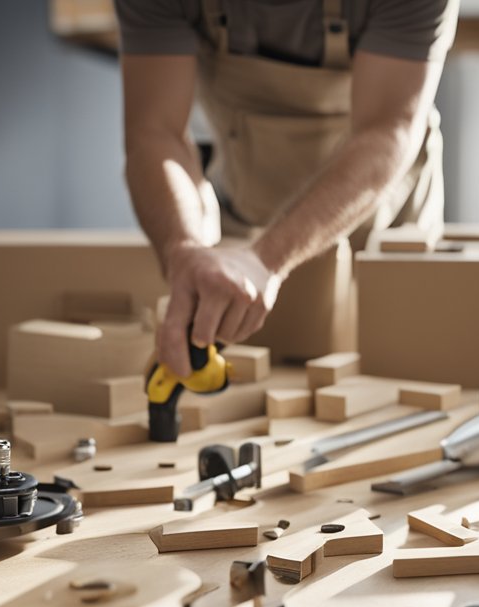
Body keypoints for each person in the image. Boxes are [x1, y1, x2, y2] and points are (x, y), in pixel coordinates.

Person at [116, 0, 457, 377]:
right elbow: (154, 133)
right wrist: (183, 249)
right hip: (246, 229)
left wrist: (268, 260)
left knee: (400, 375)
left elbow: (386, 131)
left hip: (384, 227)